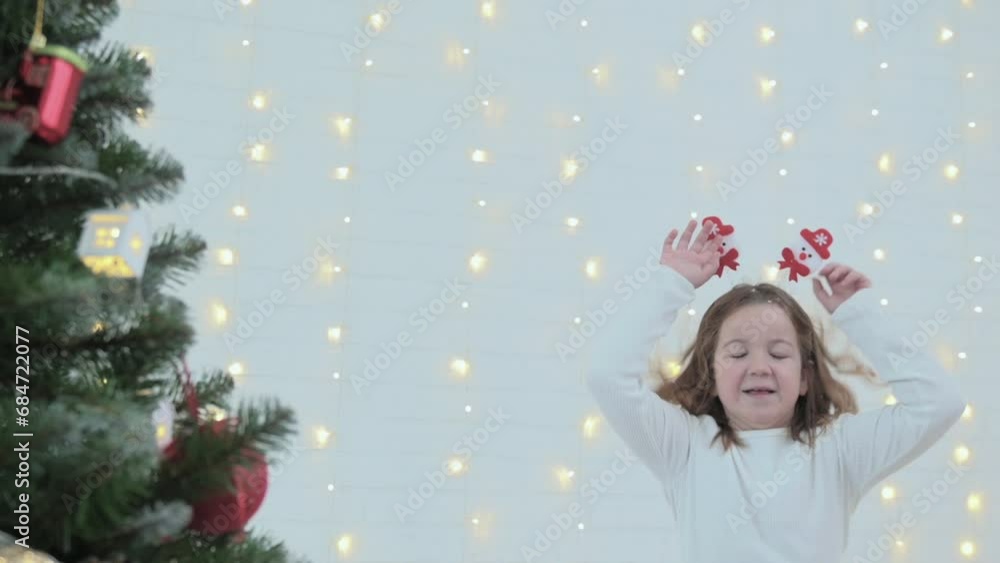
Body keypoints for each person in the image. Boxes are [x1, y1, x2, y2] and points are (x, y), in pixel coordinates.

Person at [585, 219, 966, 563]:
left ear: (804, 378)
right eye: (737, 353)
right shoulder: (683, 446)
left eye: (779, 353)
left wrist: (859, 314)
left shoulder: (839, 448)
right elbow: (607, 376)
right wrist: (672, 282)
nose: (759, 366)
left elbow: (940, 403)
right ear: (711, 374)